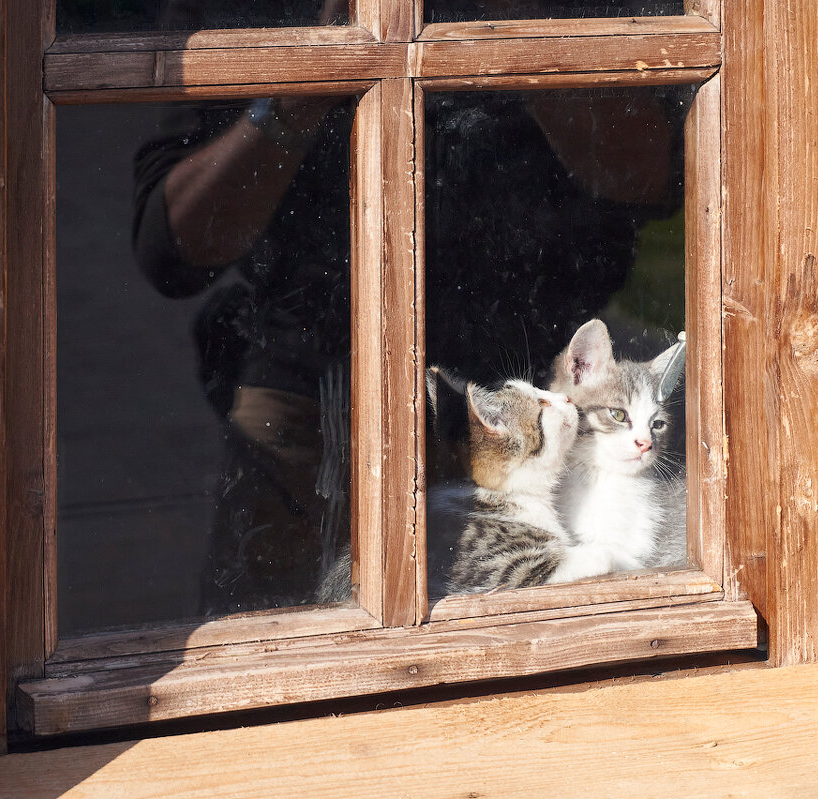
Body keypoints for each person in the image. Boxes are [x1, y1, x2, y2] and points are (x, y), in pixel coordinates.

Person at [132, 0, 689, 615]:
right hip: (316, 408)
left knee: (568, 639)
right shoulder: (270, 16)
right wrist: (301, 88)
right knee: (274, 652)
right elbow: (175, 247)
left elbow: (647, 173)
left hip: (552, 420)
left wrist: (518, 29)